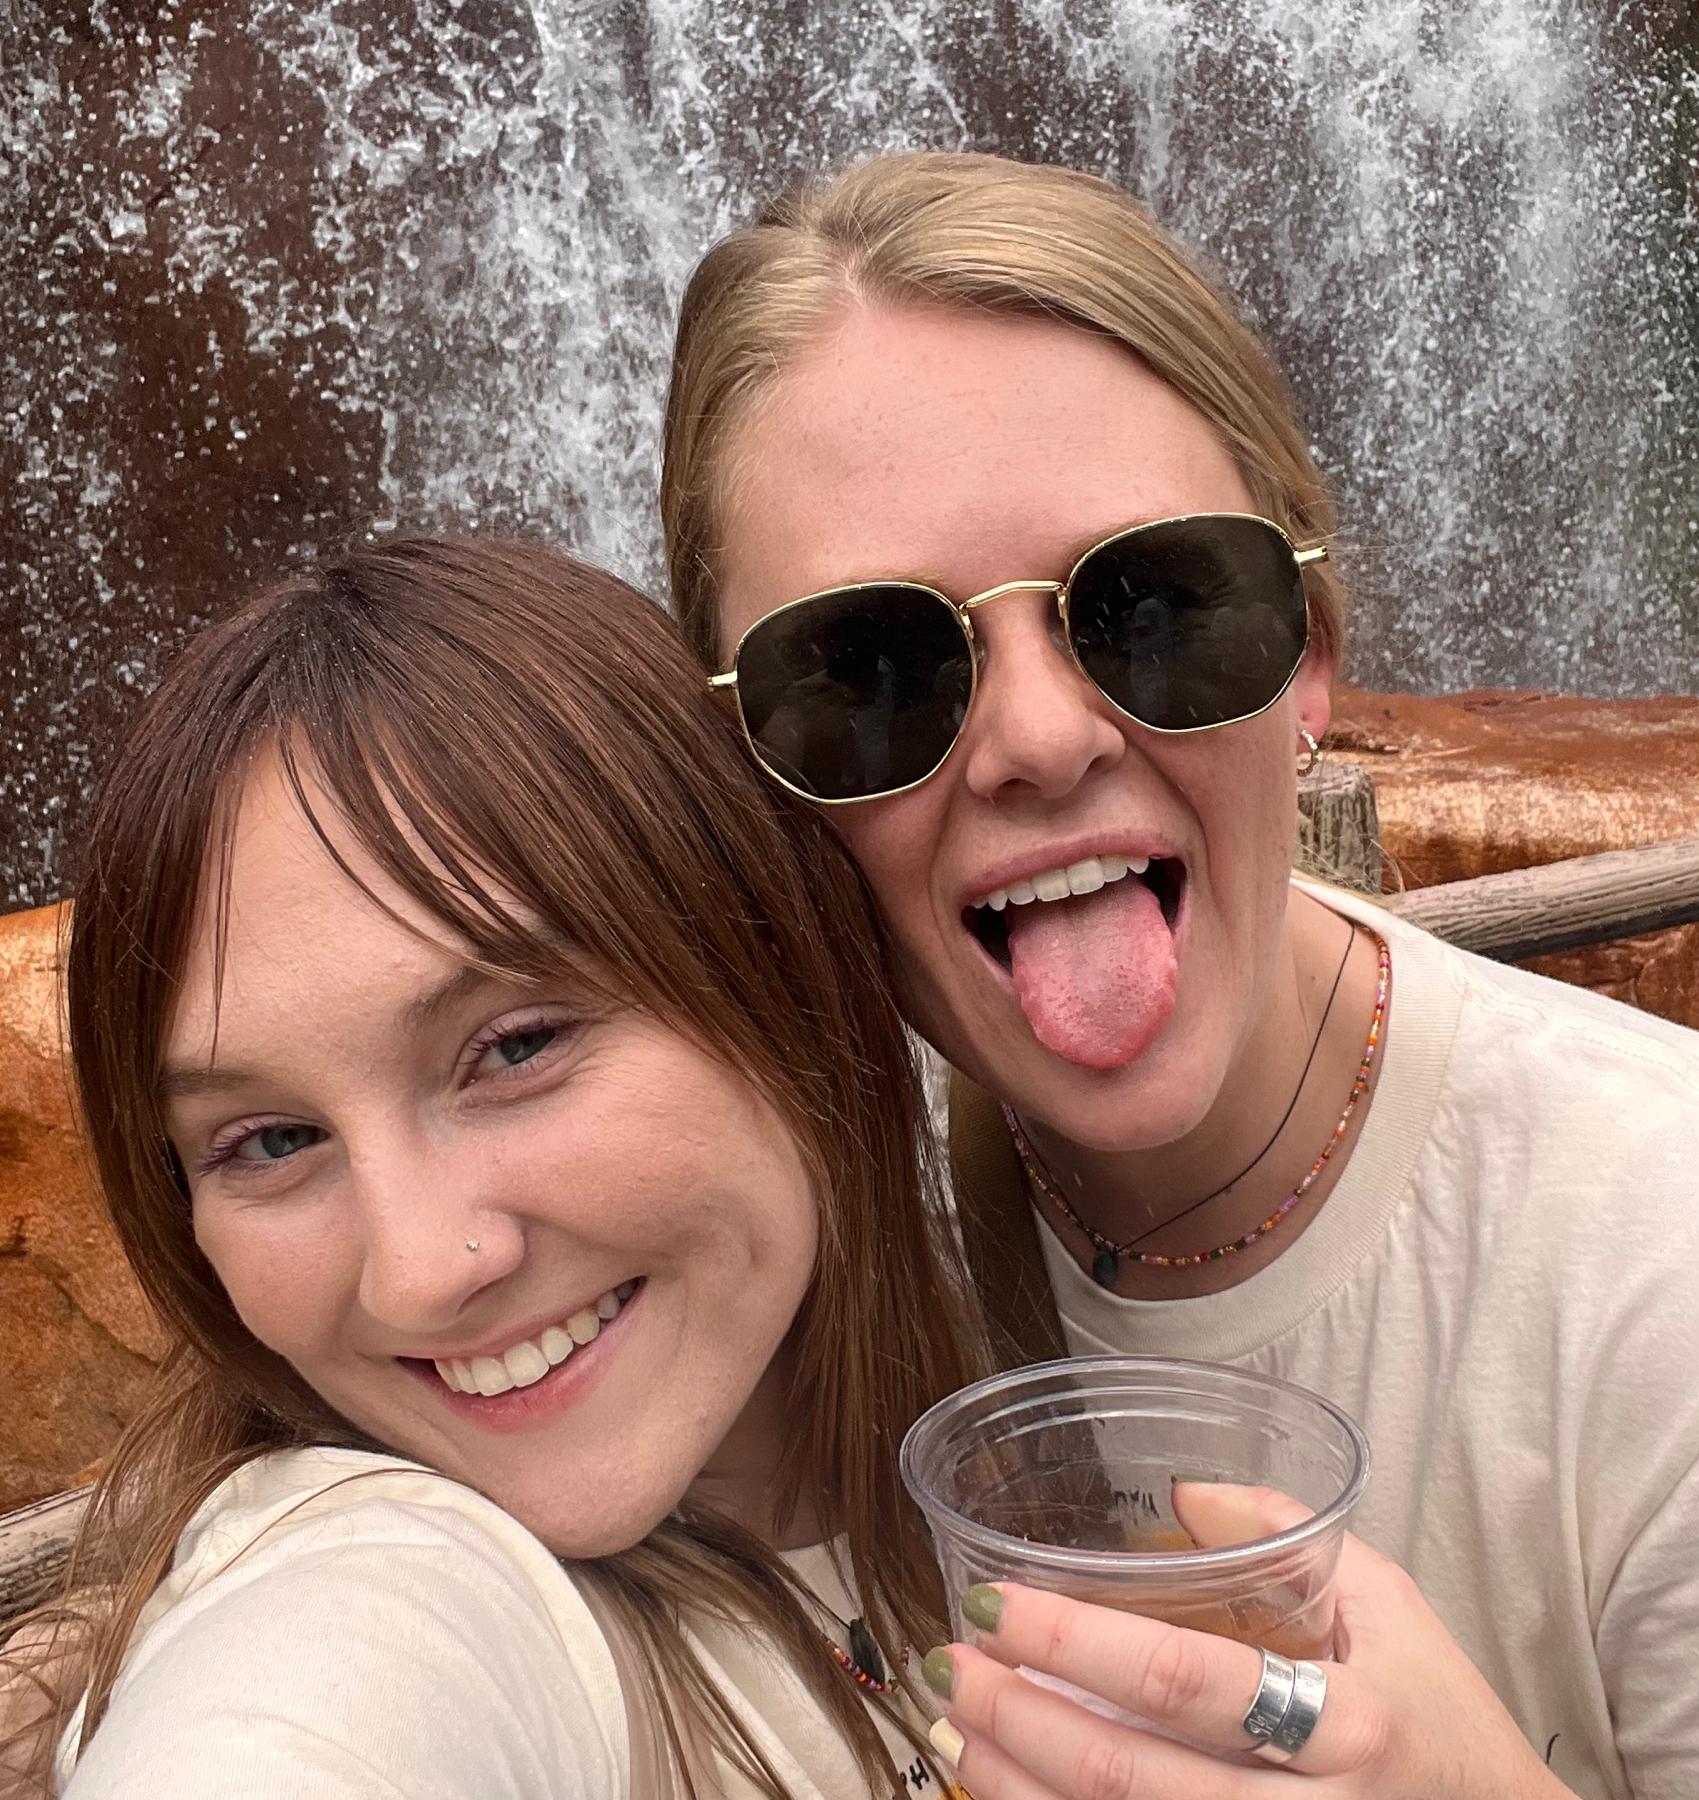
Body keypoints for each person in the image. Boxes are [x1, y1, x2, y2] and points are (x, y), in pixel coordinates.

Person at [660, 150, 1699, 1800]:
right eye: (871, 671)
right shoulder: (751, 1240)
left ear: (1309, 654)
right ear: (744, 773)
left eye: (1154, 608)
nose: (1042, 738)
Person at [0, 537, 984, 1799]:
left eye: (515, 1047)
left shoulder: (1010, 1364)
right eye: (274, 1141)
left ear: (788, 966)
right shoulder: (378, 1592)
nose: (419, 1275)